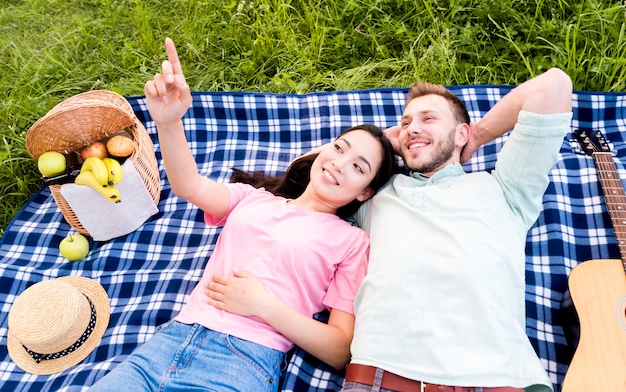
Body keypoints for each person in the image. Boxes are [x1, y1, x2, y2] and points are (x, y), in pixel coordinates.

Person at [89, 38, 396, 392]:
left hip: (241, 363)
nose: (339, 163)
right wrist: (169, 122)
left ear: (365, 192)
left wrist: (264, 306)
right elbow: (189, 185)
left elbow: (341, 349)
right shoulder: (254, 199)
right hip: (166, 345)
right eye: (339, 148)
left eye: (358, 167)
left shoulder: (352, 242)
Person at [341, 69, 573, 392]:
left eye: (428, 119)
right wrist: (380, 142)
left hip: (500, 380)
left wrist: (478, 134)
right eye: (406, 123)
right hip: (384, 376)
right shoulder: (377, 195)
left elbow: (554, 86)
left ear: (460, 133)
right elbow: (311, 175)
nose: (412, 129)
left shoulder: (505, 188)